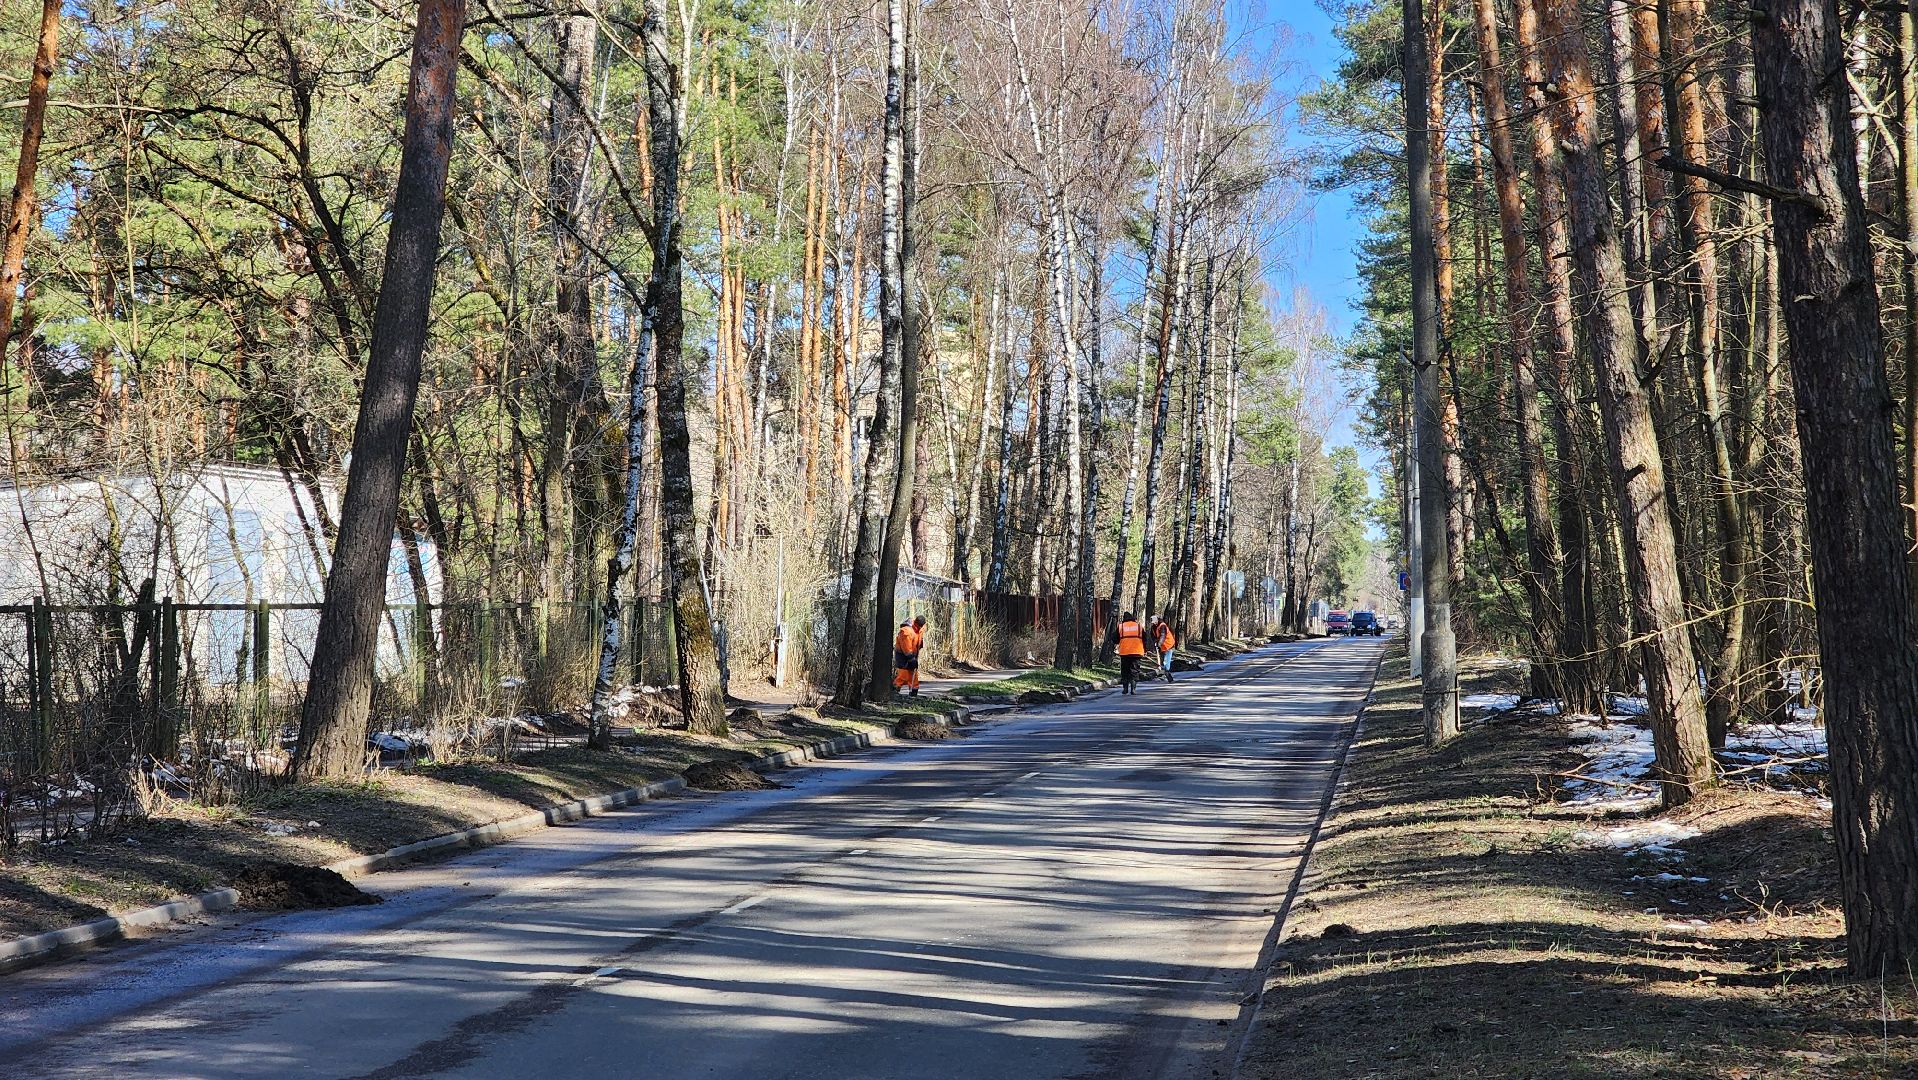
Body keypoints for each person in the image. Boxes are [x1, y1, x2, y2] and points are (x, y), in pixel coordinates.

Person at [893, 616, 926, 696]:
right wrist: (911, 658)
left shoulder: (919, 629)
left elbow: (918, 642)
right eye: (919, 626)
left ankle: (914, 692)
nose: (921, 627)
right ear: (916, 623)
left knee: (913, 674)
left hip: (912, 655)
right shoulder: (906, 631)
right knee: (903, 675)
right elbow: (906, 647)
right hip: (902, 655)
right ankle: (894, 692)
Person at [1115, 612, 1147, 694]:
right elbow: (1145, 638)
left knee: (1125, 670)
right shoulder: (1139, 626)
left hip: (1124, 652)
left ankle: (1125, 688)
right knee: (1135, 669)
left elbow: (1114, 638)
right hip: (1137, 651)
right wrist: (1145, 649)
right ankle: (1133, 688)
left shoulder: (1121, 626)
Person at [1154, 617, 1177, 683]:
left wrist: (1159, 643)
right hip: (1163, 646)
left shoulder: (1162, 626)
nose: (1153, 623)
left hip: (1168, 645)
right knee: (1163, 661)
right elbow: (1156, 636)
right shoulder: (1156, 626)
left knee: (1166, 662)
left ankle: (1167, 675)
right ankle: (1165, 674)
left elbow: (1162, 635)